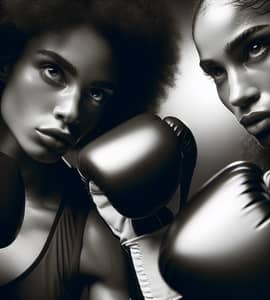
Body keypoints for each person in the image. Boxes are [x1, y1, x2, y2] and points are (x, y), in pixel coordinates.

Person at [0, 0, 179, 299]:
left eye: (96, 93)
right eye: (53, 71)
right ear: (6, 61)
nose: (71, 111)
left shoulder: (90, 235)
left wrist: (153, 252)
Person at [158, 1, 270, 299]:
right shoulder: (263, 194)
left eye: (256, 48)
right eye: (217, 73)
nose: (237, 94)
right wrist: (141, 231)